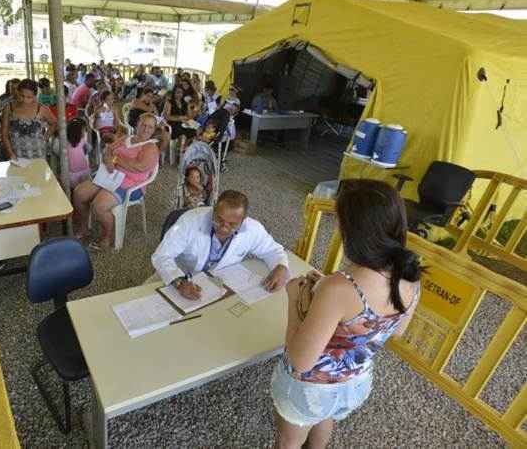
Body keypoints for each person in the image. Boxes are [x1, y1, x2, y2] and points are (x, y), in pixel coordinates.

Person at [271, 179, 421, 449]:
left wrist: (294, 299)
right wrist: (329, 293)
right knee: (324, 417)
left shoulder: (339, 287)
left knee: (288, 440)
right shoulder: (410, 275)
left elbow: (301, 361)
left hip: (311, 389)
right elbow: (396, 329)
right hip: (355, 384)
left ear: (352, 230)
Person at [152, 190, 290, 300]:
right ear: (214, 210)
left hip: (214, 286)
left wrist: (281, 267)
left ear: (243, 221)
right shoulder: (190, 221)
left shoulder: (252, 229)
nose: (224, 228)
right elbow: (161, 255)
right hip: (175, 275)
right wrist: (179, 282)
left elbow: (273, 250)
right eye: (219, 219)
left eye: (232, 224)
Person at [72, 113, 160, 250]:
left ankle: (107, 236)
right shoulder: (127, 138)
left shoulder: (151, 148)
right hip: (110, 175)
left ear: (154, 130)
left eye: (150, 127)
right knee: (79, 193)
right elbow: (108, 150)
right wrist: (108, 159)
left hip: (130, 185)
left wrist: (116, 160)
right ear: (137, 124)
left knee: (99, 205)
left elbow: (140, 166)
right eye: (143, 124)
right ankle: (84, 227)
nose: (145, 129)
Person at [1, 79, 54, 160]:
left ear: (35, 96)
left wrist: (45, 138)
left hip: (38, 154)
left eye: (29, 97)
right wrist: (10, 153)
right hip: (16, 154)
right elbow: (4, 134)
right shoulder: (9, 108)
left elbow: (54, 123)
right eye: (22, 95)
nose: (25, 100)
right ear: (17, 92)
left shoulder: (41, 108)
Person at [67, 118, 91, 188]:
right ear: (77, 131)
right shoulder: (65, 142)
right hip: (73, 173)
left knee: (85, 189)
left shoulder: (82, 140)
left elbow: (88, 149)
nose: (84, 132)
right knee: (75, 190)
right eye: (83, 130)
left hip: (83, 170)